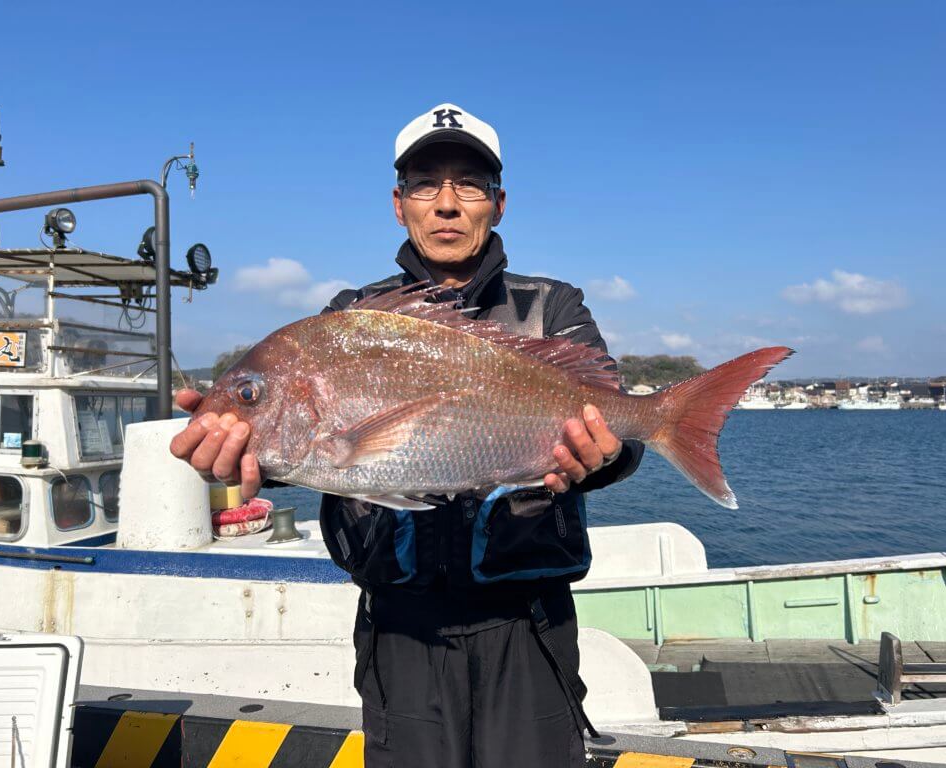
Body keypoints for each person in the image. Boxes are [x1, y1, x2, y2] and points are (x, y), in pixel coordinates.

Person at [170, 103, 643, 768]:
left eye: (469, 184)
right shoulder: (349, 316)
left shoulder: (553, 306)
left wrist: (608, 454)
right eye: (425, 184)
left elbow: (617, 425)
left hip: (528, 624)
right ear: (399, 205)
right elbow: (320, 446)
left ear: (498, 204)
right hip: (400, 627)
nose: (446, 204)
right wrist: (245, 452)